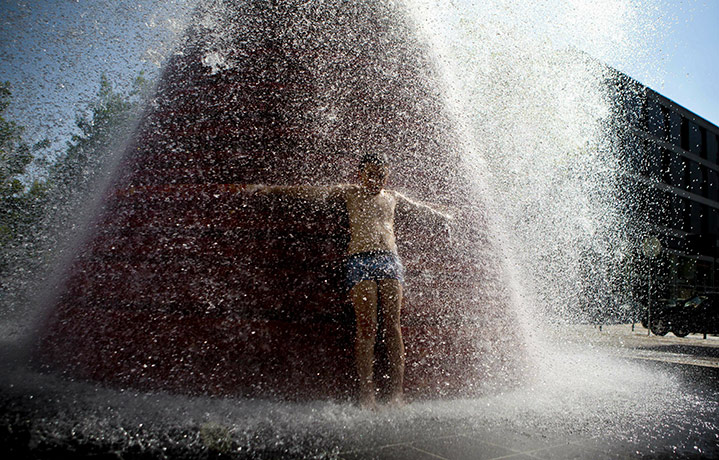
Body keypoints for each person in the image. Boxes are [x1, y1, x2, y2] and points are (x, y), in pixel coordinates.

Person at [250, 152, 452, 409]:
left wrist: (445, 214)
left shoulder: (392, 198)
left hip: (389, 261)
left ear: (387, 175)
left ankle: (396, 394)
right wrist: (272, 190)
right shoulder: (350, 193)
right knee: (366, 327)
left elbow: (422, 208)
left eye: (380, 174)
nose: (375, 178)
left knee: (393, 326)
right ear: (360, 173)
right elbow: (310, 192)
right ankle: (366, 396)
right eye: (370, 173)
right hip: (361, 260)